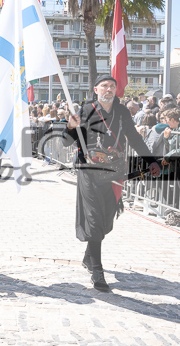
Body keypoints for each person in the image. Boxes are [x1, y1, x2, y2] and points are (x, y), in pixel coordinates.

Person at [65, 75, 160, 292]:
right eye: (104, 86)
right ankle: (97, 271)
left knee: (106, 220)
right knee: (94, 219)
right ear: (95, 89)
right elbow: (67, 139)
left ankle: (89, 255)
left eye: (112, 86)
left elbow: (134, 138)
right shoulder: (85, 110)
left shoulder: (122, 112)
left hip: (114, 171)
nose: (109, 89)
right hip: (89, 172)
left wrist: (151, 160)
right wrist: (70, 126)